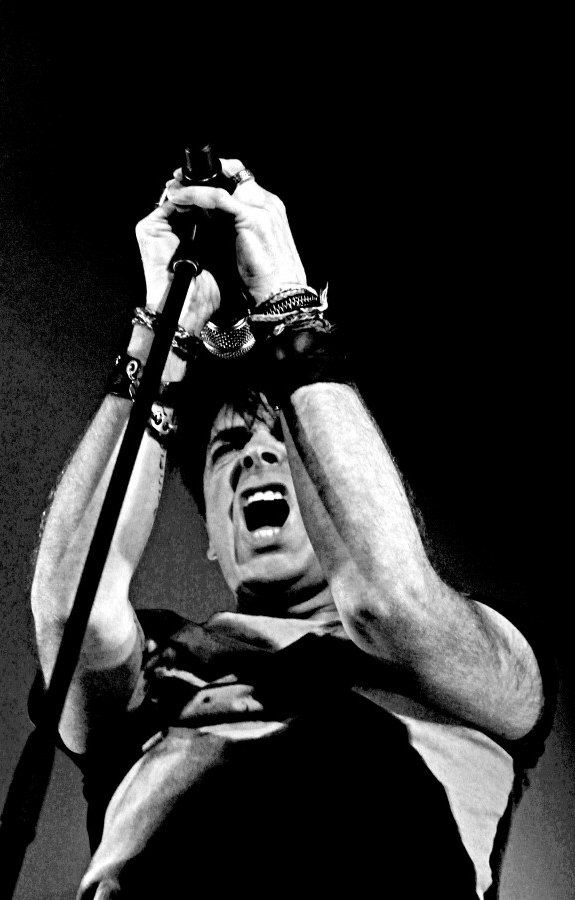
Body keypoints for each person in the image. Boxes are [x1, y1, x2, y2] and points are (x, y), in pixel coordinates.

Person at [29, 158, 556, 900]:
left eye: (283, 440)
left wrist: (288, 308)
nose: (256, 457)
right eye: (228, 447)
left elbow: (390, 602)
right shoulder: (152, 663)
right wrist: (159, 339)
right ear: (209, 533)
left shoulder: (477, 655)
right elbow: (68, 613)